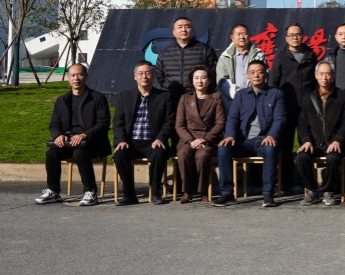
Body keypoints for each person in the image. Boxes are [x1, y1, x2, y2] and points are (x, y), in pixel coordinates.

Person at [36, 63, 111, 206]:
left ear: (86, 77)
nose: (76, 78)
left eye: (80, 74)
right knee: (51, 153)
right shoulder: (62, 100)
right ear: (68, 79)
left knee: (80, 153)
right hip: (68, 142)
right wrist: (58, 135)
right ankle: (53, 191)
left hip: (92, 142)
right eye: (73, 75)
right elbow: (54, 123)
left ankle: (90, 192)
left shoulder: (97, 98)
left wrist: (84, 135)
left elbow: (103, 123)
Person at [213, 61, 286, 208]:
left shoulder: (276, 94)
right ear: (248, 75)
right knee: (223, 149)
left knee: (270, 149)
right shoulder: (240, 95)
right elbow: (232, 118)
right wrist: (230, 136)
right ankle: (227, 193)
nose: (256, 75)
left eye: (260, 72)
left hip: (263, 140)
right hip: (243, 141)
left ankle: (268, 194)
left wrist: (271, 135)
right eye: (252, 72)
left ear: (265, 74)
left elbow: (280, 119)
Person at [112, 60, 175, 205]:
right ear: (135, 76)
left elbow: (169, 121)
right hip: (130, 142)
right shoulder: (124, 96)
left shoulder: (164, 97)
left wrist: (160, 138)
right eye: (140, 73)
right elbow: (118, 122)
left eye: (147, 73)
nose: (144, 77)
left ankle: (155, 193)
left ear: (153, 76)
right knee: (119, 155)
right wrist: (121, 140)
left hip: (152, 142)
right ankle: (129, 195)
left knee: (159, 153)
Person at [296, 60, 345, 206]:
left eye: (328, 74)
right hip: (314, 143)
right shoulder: (308, 98)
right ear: (316, 75)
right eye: (321, 74)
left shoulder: (342, 96)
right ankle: (312, 191)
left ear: (333, 75)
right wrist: (306, 141)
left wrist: (338, 140)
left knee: (333, 158)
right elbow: (302, 124)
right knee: (301, 157)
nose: (324, 77)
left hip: (334, 142)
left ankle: (329, 191)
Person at [270, 23, 318, 194]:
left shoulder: (311, 55)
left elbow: (316, 81)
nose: (295, 38)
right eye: (291, 35)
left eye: (298, 34)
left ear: (303, 36)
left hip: (307, 107)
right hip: (286, 106)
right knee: (285, 145)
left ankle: (306, 182)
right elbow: (273, 83)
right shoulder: (280, 57)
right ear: (286, 38)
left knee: (308, 143)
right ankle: (286, 183)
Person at [174, 65, 226, 203]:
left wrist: (204, 139)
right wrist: (191, 140)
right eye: (196, 78)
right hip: (188, 139)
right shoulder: (185, 98)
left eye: (203, 78)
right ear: (192, 81)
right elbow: (179, 125)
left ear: (209, 80)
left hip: (208, 139)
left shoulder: (216, 98)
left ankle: (203, 190)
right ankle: (187, 191)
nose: (199, 81)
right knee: (183, 154)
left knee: (202, 156)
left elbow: (220, 123)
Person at [155, 16, 218, 99]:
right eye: (180, 27)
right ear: (173, 32)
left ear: (192, 30)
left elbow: (213, 74)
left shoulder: (205, 50)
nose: (183, 30)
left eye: (187, 26)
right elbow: (160, 76)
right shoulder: (164, 53)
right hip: (172, 98)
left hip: (197, 98)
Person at [216, 23, 265, 111]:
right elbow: (222, 80)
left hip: (255, 101)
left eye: (244, 34)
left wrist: (250, 96)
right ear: (232, 37)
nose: (242, 37)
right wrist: (238, 95)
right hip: (232, 103)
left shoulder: (259, 55)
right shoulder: (225, 57)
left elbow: (264, 77)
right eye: (238, 34)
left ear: (249, 36)